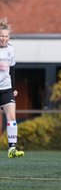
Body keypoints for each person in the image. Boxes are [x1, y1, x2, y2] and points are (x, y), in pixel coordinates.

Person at [0, 18, 25, 158]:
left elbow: (12, 70)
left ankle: (12, 149)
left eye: (6, 36)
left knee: (12, 117)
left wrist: (13, 88)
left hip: (6, 89)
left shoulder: (11, 50)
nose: (3, 38)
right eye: (1, 35)